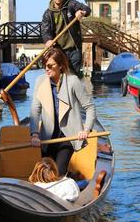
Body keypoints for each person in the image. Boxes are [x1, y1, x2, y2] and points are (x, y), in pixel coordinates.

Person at [30, 47, 96, 176]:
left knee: (58, 173)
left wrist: (86, 130)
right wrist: (34, 134)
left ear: (60, 66)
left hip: (68, 136)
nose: (46, 69)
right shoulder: (40, 81)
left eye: (50, 65)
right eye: (44, 65)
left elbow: (90, 107)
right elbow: (35, 110)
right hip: (47, 138)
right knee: (45, 175)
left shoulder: (73, 82)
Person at [41, 0, 91, 76]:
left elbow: (87, 9)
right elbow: (45, 30)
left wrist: (82, 12)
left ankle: (73, 90)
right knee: (61, 75)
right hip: (59, 51)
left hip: (74, 49)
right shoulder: (47, 14)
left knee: (74, 76)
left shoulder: (71, 4)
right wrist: (48, 40)